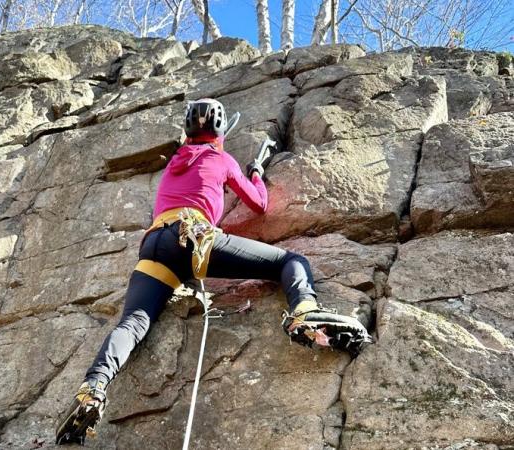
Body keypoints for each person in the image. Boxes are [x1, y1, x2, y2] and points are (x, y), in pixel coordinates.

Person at [55, 98, 370, 445]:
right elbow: (259, 204)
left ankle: (92, 389)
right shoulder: (221, 158)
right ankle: (305, 312)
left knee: (133, 323)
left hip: (154, 246)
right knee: (290, 262)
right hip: (193, 238)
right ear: (220, 133)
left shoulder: (175, 161)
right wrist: (255, 173)